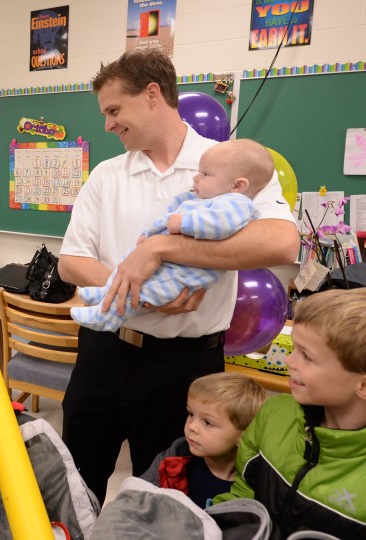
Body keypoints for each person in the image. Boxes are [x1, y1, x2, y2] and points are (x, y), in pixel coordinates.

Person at [58, 48, 299, 504]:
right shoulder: (106, 175)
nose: (107, 124)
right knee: (76, 480)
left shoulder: (228, 164)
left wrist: (161, 248)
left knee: (169, 494)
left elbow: (282, 243)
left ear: (152, 95)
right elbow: (71, 261)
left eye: (113, 110)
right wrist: (139, 290)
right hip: (105, 353)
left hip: (185, 367)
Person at [71, 138, 273, 332]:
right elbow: (71, 261)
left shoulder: (236, 203)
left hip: (182, 277)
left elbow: (221, 225)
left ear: (238, 186)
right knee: (128, 265)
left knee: (144, 291)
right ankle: (108, 290)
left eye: (205, 174)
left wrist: (170, 234)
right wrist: (149, 235)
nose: (196, 177)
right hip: (112, 345)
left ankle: (106, 315)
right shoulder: (108, 171)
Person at [214, 288, 366, 537]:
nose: (289, 361)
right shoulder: (274, 415)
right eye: (294, 348)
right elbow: (243, 492)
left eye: (306, 356)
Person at [140, 372, 267, 508]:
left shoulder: (258, 486)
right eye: (191, 414)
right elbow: (137, 500)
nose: (192, 426)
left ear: (244, 436)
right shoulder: (173, 457)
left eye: (207, 422)